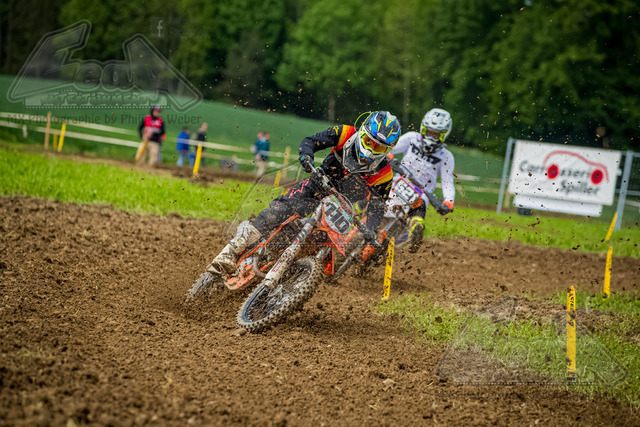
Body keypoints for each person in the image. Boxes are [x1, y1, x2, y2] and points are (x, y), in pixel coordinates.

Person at [207, 110, 402, 275]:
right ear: (362, 132)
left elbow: (377, 205)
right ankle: (230, 251)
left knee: (320, 245)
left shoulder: (384, 173)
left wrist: (371, 230)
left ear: (388, 149)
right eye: (369, 141)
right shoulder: (345, 133)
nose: (371, 149)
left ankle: (291, 281)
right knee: (277, 212)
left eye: (379, 146)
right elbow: (311, 141)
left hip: (342, 208)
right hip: (317, 186)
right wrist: (306, 156)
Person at [387, 108, 455, 249]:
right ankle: (362, 207)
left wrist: (449, 201)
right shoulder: (412, 138)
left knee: (421, 205)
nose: (432, 136)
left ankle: (415, 231)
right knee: (378, 189)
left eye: (436, 134)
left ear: (443, 134)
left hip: (421, 193)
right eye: (429, 132)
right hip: (399, 180)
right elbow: (391, 148)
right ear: (423, 129)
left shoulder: (446, 156)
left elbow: (447, 182)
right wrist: (386, 154)